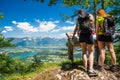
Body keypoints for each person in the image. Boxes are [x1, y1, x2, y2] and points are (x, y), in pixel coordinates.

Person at [72, 9, 97, 76]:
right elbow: (92, 24)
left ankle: (85, 68)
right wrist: (93, 30)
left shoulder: (78, 18)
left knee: (83, 52)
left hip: (82, 35)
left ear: (79, 13)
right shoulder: (90, 15)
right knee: (91, 52)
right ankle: (91, 69)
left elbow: (76, 28)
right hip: (89, 35)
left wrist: (73, 35)